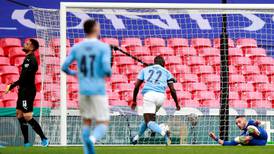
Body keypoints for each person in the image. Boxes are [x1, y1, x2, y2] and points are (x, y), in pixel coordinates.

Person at [62, 19, 112, 154]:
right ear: (95, 28)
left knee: (86, 122)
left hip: (83, 90)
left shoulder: (77, 47)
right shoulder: (103, 47)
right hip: (98, 89)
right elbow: (107, 69)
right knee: (103, 122)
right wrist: (107, 74)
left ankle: (87, 151)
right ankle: (93, 139)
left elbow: (64, 67)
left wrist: (75, 73)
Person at [5, 39, 48, 147]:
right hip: (23, 90)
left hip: (28, 92)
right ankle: (26, 142)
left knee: (27, 116)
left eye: (27, 44)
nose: (25, 44)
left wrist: (12, 85)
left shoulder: (31, 60)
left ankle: (44, 139)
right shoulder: (27, 59)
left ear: (32, 48)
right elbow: (23, 78)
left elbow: (24, 78)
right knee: (19, 114)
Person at [131, 56, 180, 145]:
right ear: (163, 64)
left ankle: (163, 130)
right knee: (149, 121)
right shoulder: (167, 72)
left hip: (149, 95)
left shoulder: (145, 70)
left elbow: (137, 86)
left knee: (149, 122)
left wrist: (134, 100)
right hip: (161, 97)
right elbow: (172, 90)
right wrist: (177, 103)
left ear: (154, 62)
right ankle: (136, 138)